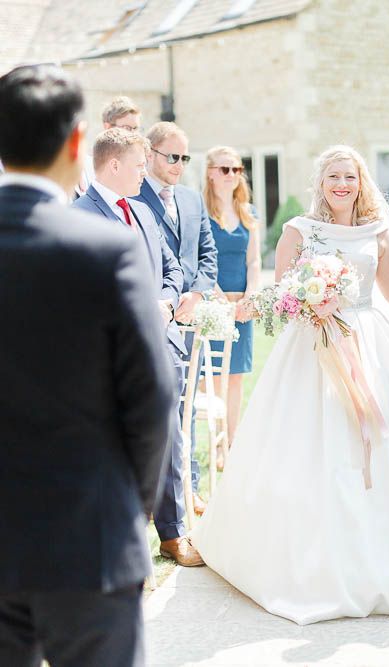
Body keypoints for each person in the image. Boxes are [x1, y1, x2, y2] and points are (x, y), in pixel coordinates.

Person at [191, 145, 389, 625]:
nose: (342, 185)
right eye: (333, 178)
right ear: (320, 185)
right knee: (311, 445)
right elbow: (283, 293)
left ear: (361, 182)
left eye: (349, 177)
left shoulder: (377, 232)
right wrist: (306, 303)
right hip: (312, 346)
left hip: (370, 342)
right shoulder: (299, 231)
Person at [0, 64, 175, 666]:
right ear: (78, 142)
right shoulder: (106, 249)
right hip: (89, 540)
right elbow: (152, 400)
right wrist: (136, 508)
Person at [73, 129, 203, 567]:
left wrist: (165, 300)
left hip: (160, 344)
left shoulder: (145, 212)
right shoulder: (78, 216)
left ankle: (173, 533)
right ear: (113, 166)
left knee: (168, 435)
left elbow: (171, 268)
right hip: (108, 353)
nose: (144, 172)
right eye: (137, 164)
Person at [134, 121, 218, 515]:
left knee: (187, 406)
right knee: (154, 412)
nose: (180, 165)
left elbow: (207, 252)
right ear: (149, 154)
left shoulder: (190, 198)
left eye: (185, 158)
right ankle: (150, 498)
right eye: (173, 156)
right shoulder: (132, 199)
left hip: (190, 317)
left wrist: (197, 293)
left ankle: (189, 488)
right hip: (151, 319)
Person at [203, 146, 261, 463]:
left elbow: (253, 261)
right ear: (210, 172)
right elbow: (198, 260)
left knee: (236, 376)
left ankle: (231, 443)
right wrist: (216, 296)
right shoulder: (200, 213)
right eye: (225, 169)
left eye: (237, 170)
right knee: (212, 377)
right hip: (212, 305)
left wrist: (252, 293)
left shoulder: (248, 213)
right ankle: (215, 442)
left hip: (241, 308)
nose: (232, 176)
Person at [75, 95, 142, 197]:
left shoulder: (139, 170)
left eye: (135, 128)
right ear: (108, 127)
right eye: (127, 128)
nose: (133, 134)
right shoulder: (85, 166)